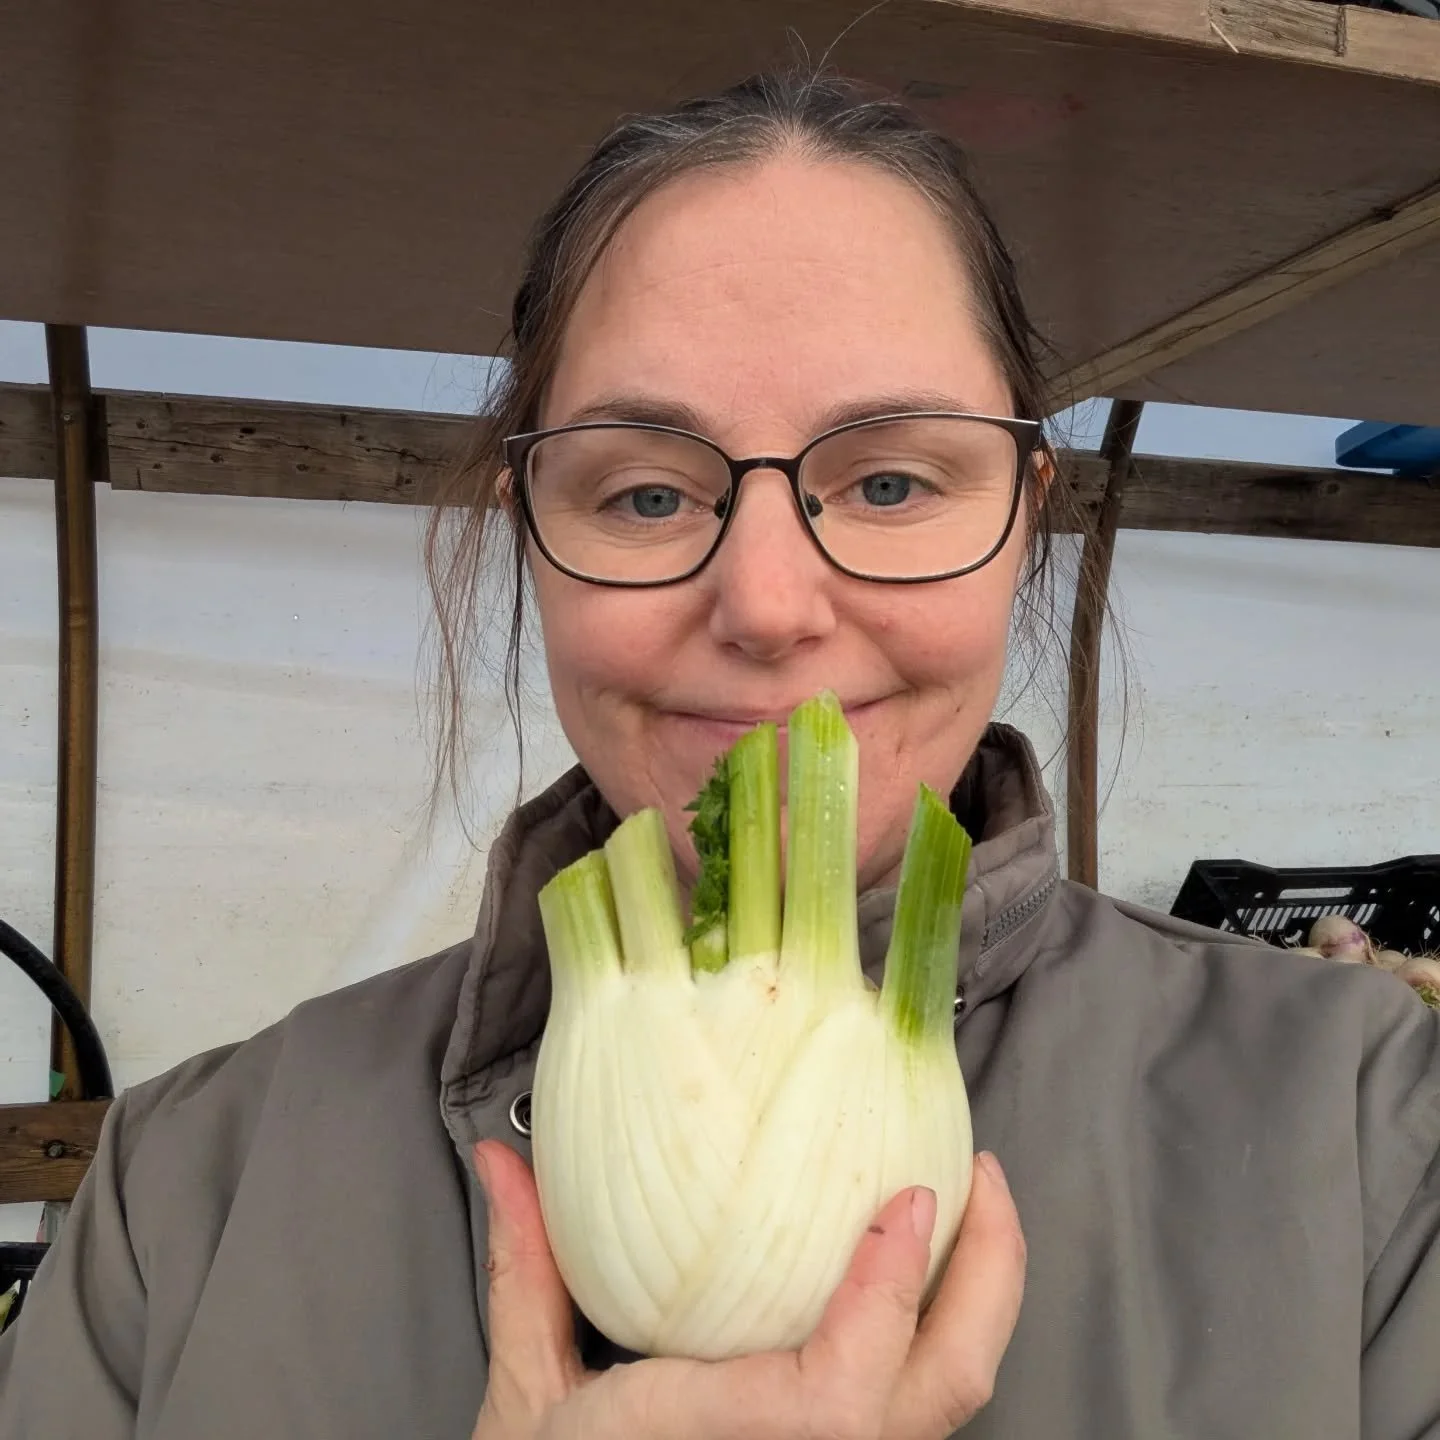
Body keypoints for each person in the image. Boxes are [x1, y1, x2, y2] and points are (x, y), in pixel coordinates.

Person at [2, 69, 1437, 1440]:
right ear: (531, 537)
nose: (763, 606)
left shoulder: (1378, 1143)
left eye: (888, 481)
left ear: (1029, 518)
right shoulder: (179, 1200)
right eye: (642, 493)